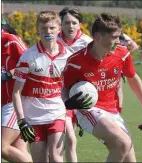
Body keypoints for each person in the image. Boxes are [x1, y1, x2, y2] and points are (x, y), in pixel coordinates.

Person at [62, 13, 142, 162]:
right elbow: (64, 88)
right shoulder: (76, 61)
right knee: (123, 143)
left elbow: (133, 79)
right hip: (89, 110)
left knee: (129, 158)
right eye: (114, 37)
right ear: (98, 37)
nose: (118, 41)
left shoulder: (122, 54)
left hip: (112, 111)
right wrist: (67, 102)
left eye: (119, 37)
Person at [12, 11, 72, 162]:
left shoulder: (68, 56)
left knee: (56, 158)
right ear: (38, 29)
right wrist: (21, 120)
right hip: (33, 118)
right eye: (44, 28)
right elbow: (16, 93)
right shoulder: (27, 56)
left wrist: (75, 111)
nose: (48, 32)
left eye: (52, 28)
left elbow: (70, 87)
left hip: (56, 114)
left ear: (59, 29)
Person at [58, 7, 92, 162]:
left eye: (74, 23)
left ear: (80, 24)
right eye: (66, 23)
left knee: (67, 141)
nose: (70, 26)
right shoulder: (53, 40)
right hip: (56, 94)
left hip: (77, 93)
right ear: (61, 24)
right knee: (68, 138)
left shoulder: (88, 43)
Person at [1, 22, 32, 162]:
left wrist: (7, 74)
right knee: (19, 150)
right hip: (4, 105)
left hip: (13, 103)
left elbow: (30, 62)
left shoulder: (9, 40)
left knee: (2, 147)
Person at [116, 33, 139, 113]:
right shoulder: (109, 33)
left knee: (118, 87)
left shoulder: (125, 38)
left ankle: (119, 108)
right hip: (108, 60)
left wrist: (127, 53)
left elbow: (135, 46)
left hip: (119, 62)